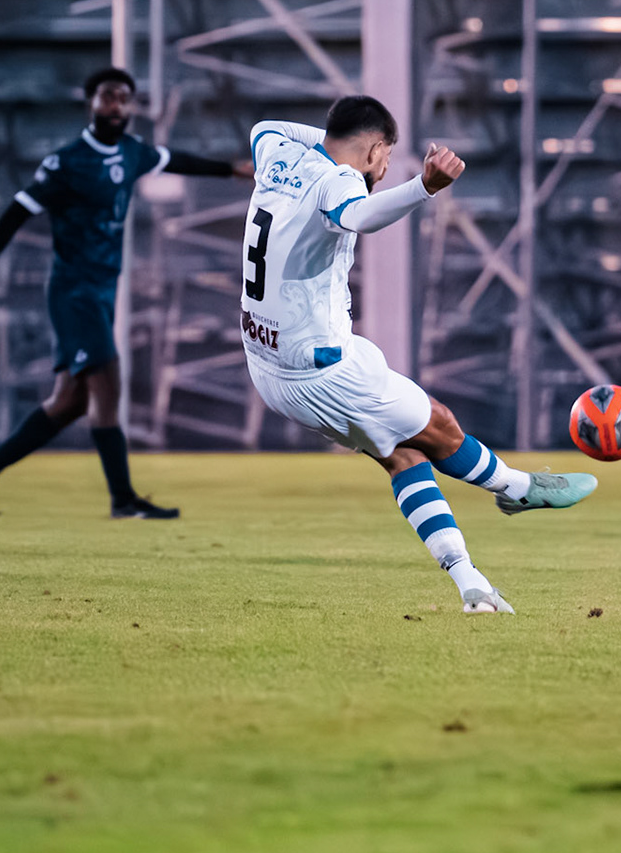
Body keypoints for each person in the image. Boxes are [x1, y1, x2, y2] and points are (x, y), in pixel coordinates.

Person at [241, 95, 597, 615]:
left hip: (265, 365)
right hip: (323, 371)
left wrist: (336, 139)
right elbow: (359, 215)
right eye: (385, 157)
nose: (384, 169)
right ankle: (519, 487)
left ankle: (471, 583)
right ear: (373, 149)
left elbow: (264, 123)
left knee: (402, 455)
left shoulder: (277, 155)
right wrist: (423, 186)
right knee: (440, 425)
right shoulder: (339, 181)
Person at [0, 66, 253, 517]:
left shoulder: (132, 152)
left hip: (101, 291)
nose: (117, 105)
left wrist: (231, 169)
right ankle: (122, 500)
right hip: (74, 291)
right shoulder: (67, 162)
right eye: (108, 96)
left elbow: (174, 160)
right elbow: (19, 208)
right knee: (108, 386)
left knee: (70, 401)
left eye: (124, 97)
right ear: (90, 102)